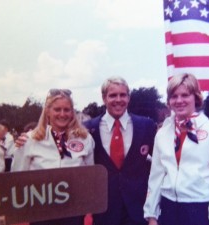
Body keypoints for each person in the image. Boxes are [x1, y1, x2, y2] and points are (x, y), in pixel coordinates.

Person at [143, 73, 209, 225]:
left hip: (200, 209)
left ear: (196, 97)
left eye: (185, 95)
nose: (179, 101)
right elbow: (156, 176)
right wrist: (151, 215)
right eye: (174, 96)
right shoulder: (162, 133)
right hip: (168, 208)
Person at [11, 89, 95, 225]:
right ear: (48, 112)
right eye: (57, 109)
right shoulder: (30, 139)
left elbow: (91, 176)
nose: (62, 114)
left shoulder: (85, 139)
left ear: (72, 112)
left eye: (67, 110)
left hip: (74, 212)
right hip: (41, 212)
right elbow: (17, 177)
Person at [84, 76, 157, 225]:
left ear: (129, 98)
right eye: (113, 95)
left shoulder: (146, 125)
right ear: (104, 98)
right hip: (104, 211)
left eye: (122, 95)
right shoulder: (88, 129)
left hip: (137, 210)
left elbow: (160, 163)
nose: (118, 99)